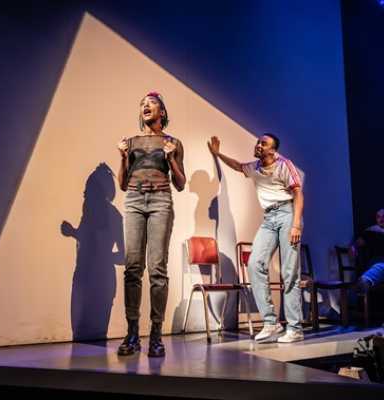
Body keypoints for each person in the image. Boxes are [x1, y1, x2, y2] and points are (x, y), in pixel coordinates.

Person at [208, 134, 304, 343]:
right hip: (269, 218)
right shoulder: (255, 167)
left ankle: (295, 328)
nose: (258, 145)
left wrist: (296, 224)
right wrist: (218, 154)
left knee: (289, 273)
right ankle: (272, 323)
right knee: (254, 264)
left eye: (264, 144)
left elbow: (298, 194)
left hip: (288, 214)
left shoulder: (284, 165)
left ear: (273, 150)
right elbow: (237, 166)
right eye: (258, 142)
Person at [116, 92, 186, 357]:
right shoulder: (131, 141)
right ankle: (132, 333)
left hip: (160, 201)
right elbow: (122, 184)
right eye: (142, 103)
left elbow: (180, 184)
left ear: (163, 112)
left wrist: (170, 159)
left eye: (152, 102)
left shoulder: (173, 142)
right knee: (133, 268)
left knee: (157, 268)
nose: (146, 105)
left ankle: (156, 335)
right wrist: (123, 157)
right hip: (134, 200)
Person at [350, 209, 384, 292]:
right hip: (377, 261)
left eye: (383, 216)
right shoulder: (372, 231)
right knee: (380, 266)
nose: (381, 219)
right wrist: (353, 248)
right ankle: (364, 281)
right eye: (378, 217)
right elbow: (356, 244)